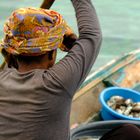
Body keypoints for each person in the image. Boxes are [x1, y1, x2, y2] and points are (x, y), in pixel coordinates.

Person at [0, 0, 102, 140]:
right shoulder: (56, 82)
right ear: (51, 54)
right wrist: (72, 43)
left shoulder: (3, 77)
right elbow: (91, 35)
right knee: (128, 132)